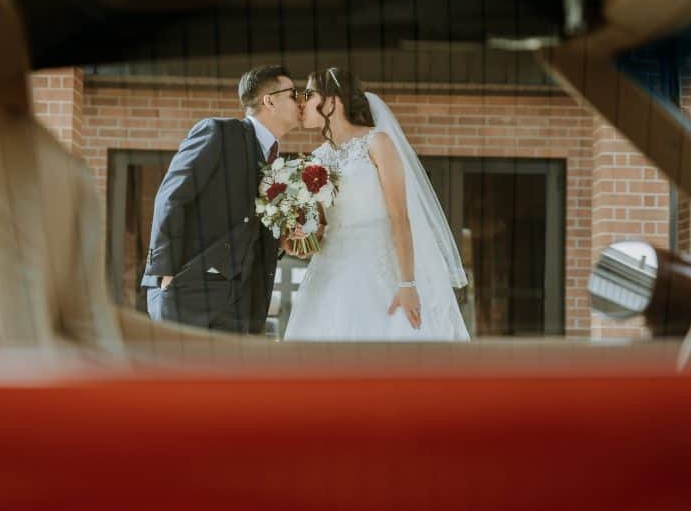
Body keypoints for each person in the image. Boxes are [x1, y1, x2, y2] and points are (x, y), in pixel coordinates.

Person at [284, 68, 470, 341]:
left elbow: (400, 218)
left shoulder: (377, 143)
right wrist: (305, 236)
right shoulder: (316, 159)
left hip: (377, 267)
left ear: (333, 102)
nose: (302, 101)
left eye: (310, 94)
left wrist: (408, 283)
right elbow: (323, 225)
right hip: (330, 270)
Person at [143, 65, 301, 333]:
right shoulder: (218, 132)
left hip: (243, 303)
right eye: (294, 94)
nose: (301, 101)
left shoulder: (279, 162)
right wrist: (165, 274)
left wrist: (284, 238)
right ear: (270, 101)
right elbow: (171, 197)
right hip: (189, 291)